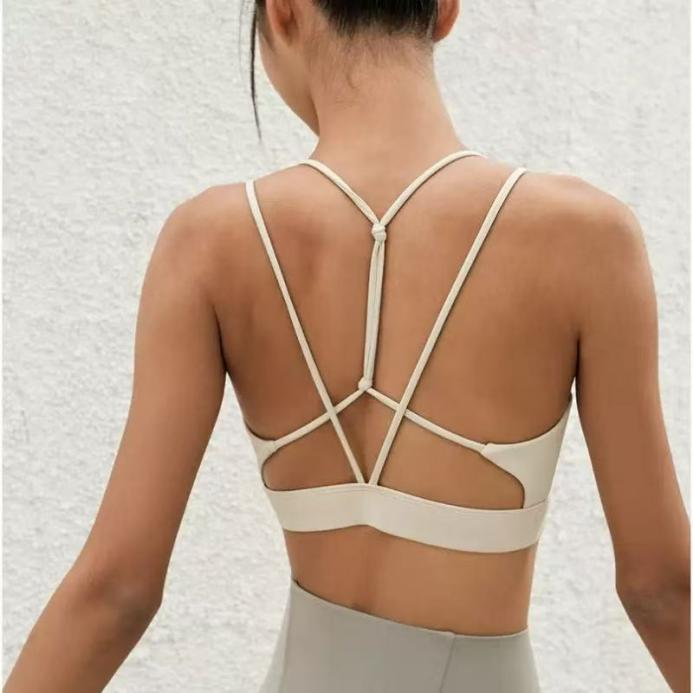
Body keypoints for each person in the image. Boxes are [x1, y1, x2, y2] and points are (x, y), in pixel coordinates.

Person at [5, 1, 690, 691]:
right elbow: (662, 589)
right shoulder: (586, 239)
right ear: (445, 10)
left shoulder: (210, 243)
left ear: (283, 11)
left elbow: (116, 592)